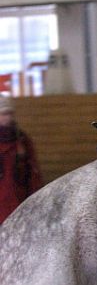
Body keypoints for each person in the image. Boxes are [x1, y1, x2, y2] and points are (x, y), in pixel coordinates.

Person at [0, 95, 43, 224]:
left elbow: (33, 174)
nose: (7, 118)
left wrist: (36, 200)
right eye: (3, 114)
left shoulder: (22, 141)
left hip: (19, 202)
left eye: (9, 113)